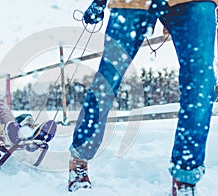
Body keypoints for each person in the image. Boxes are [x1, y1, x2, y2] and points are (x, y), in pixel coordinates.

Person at [67, 0, 217, 195]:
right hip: (133, 2)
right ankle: (80, 157)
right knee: (108, 77)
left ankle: (185, 178)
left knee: (201, 85)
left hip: (193, 2)